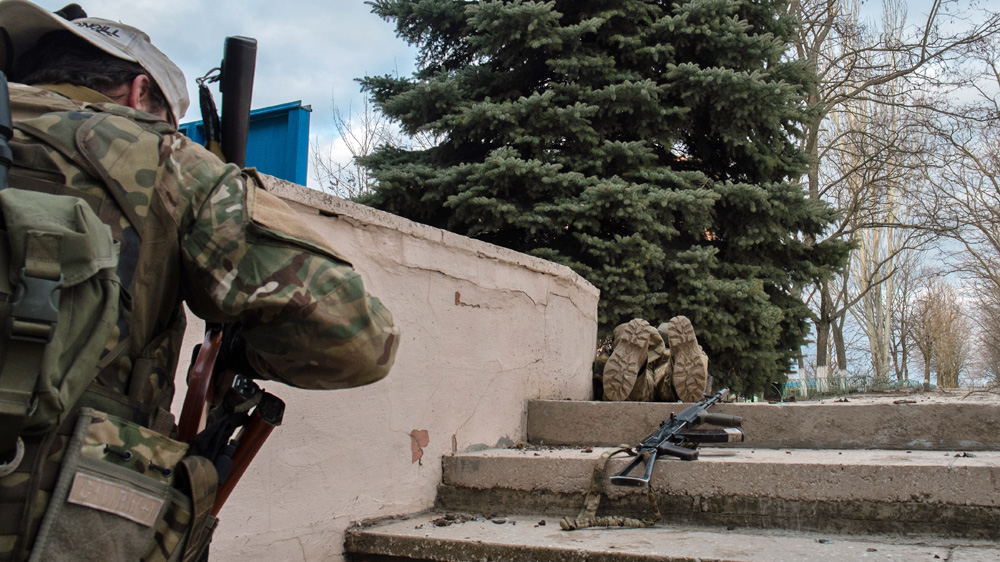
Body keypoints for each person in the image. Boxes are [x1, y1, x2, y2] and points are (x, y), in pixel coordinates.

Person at [0, 1, 400, 561]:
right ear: (140, 94)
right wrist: (241, 351)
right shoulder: (164, 159)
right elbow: (359, 339)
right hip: (52, 521)